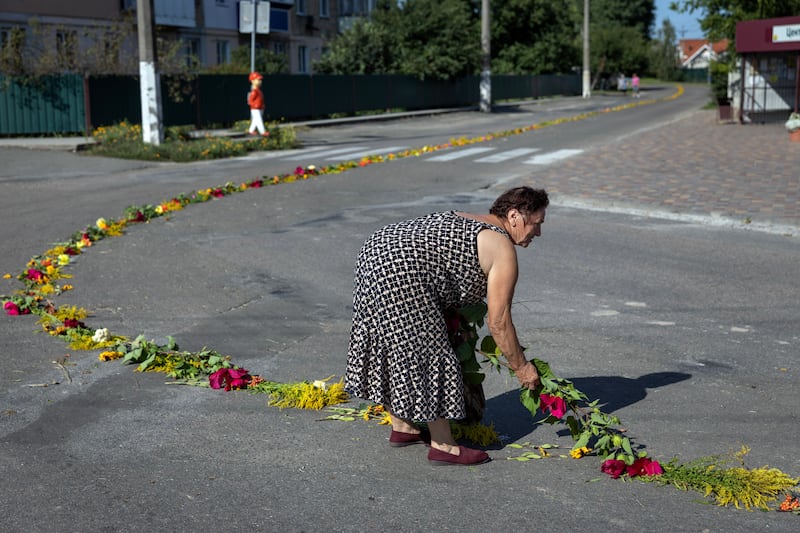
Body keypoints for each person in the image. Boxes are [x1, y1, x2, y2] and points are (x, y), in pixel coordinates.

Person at [345, 186, 548, 466]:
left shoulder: (468, 219)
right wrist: (522, 367)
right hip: (403, 269)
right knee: (430, 350)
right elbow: (499, 321)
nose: (537, 233)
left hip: (375, 250)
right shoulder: (501, 247)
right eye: (536, 223)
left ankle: (403, 427)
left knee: (391, 341)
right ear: (514, 216)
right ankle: (444, 446)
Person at [247, 71, 268, 137]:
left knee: (255, 120)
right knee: (259, 120)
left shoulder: (259, 91)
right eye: (258, 80)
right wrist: (254, 105)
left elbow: (260, 99)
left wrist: (262, 105)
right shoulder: (254, 92)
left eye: (260, 80)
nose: (260, 81)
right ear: (252, 81)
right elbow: (250, 101)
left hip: (260, 108)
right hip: (255, 109)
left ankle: (251, 130)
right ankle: (262, 132)